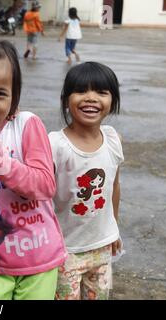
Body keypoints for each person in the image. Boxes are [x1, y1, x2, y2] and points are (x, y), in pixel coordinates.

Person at [0, 39, 67, 300]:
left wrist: (1, 161)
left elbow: (44, 185)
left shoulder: (27, 125)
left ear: (14, 96)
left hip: (39, 257)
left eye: (0, 94)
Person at [48, 62, 123, 300]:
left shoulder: (113, 139)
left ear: (113, 100)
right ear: (66, 99)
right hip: (64, 251)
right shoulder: (55, 144)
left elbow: (114, 186)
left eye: (101, 92)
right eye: (81, 91)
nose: (91, 99)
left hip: (102, 248)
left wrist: (114, 230)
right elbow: (42, 196)